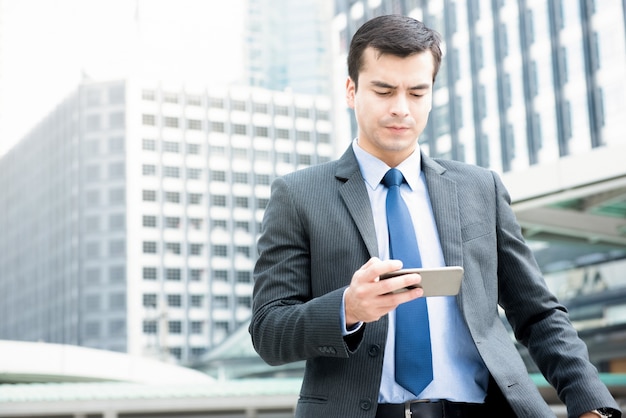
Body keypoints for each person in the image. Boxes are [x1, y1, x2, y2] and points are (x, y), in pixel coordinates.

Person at [249, 14, 621, 418]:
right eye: (384, 90)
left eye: (416, 93)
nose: (401, 109)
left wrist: (591, 406)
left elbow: (538, 313)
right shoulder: (298, 195)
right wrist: (348, 309)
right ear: (351, 91)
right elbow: (269, 330)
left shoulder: (481, 188)